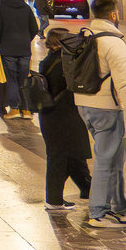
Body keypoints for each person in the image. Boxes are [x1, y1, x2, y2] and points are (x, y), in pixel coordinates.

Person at [78, 0, 126, 229]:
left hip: (84, 104)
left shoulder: (86, 36)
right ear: (113, 15)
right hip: (106, 107)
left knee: (115, 159)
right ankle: (98, 212)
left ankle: (121, 206)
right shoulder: (113, 42)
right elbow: (125, 83)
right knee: (106, 160)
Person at [37, 26, 93, 211]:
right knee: (60, 157)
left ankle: (88, 189)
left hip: (52, 115)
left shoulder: (48, 60)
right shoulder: (64, 63)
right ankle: (53, 200)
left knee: (73, 154)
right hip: (62, 115)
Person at [0, 0, 41, 119]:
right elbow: (34, 28)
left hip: (7, 48)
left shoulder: (0, 8)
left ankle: (14, 108)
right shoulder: (25, 7)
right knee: (24, 79)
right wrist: (26, 39)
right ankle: (26, 110)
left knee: (12, 79)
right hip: (24, 48)